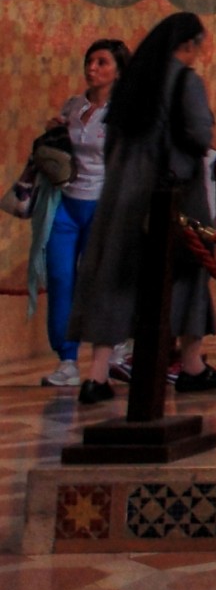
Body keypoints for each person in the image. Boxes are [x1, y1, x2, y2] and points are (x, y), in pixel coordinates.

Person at [68, 12, 216, 404]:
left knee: (115, 280)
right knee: (188, 274)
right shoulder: (185, 81)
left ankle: (96, 375)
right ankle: (191, 365)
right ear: (188, 45)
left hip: (120, 194)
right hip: (169, 193)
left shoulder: (132, 82)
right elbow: (198, 134)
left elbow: (111, 143)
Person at [28, 40, 131, 390]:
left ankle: (112, 346)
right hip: (67, 202)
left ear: (118, 70)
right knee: (60, 278)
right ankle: (66, 358)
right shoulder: (74, 106)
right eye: (90, 61)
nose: (92, 68)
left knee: (101, 281)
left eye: (102, 62)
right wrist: (53, 129)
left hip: (103, 204)